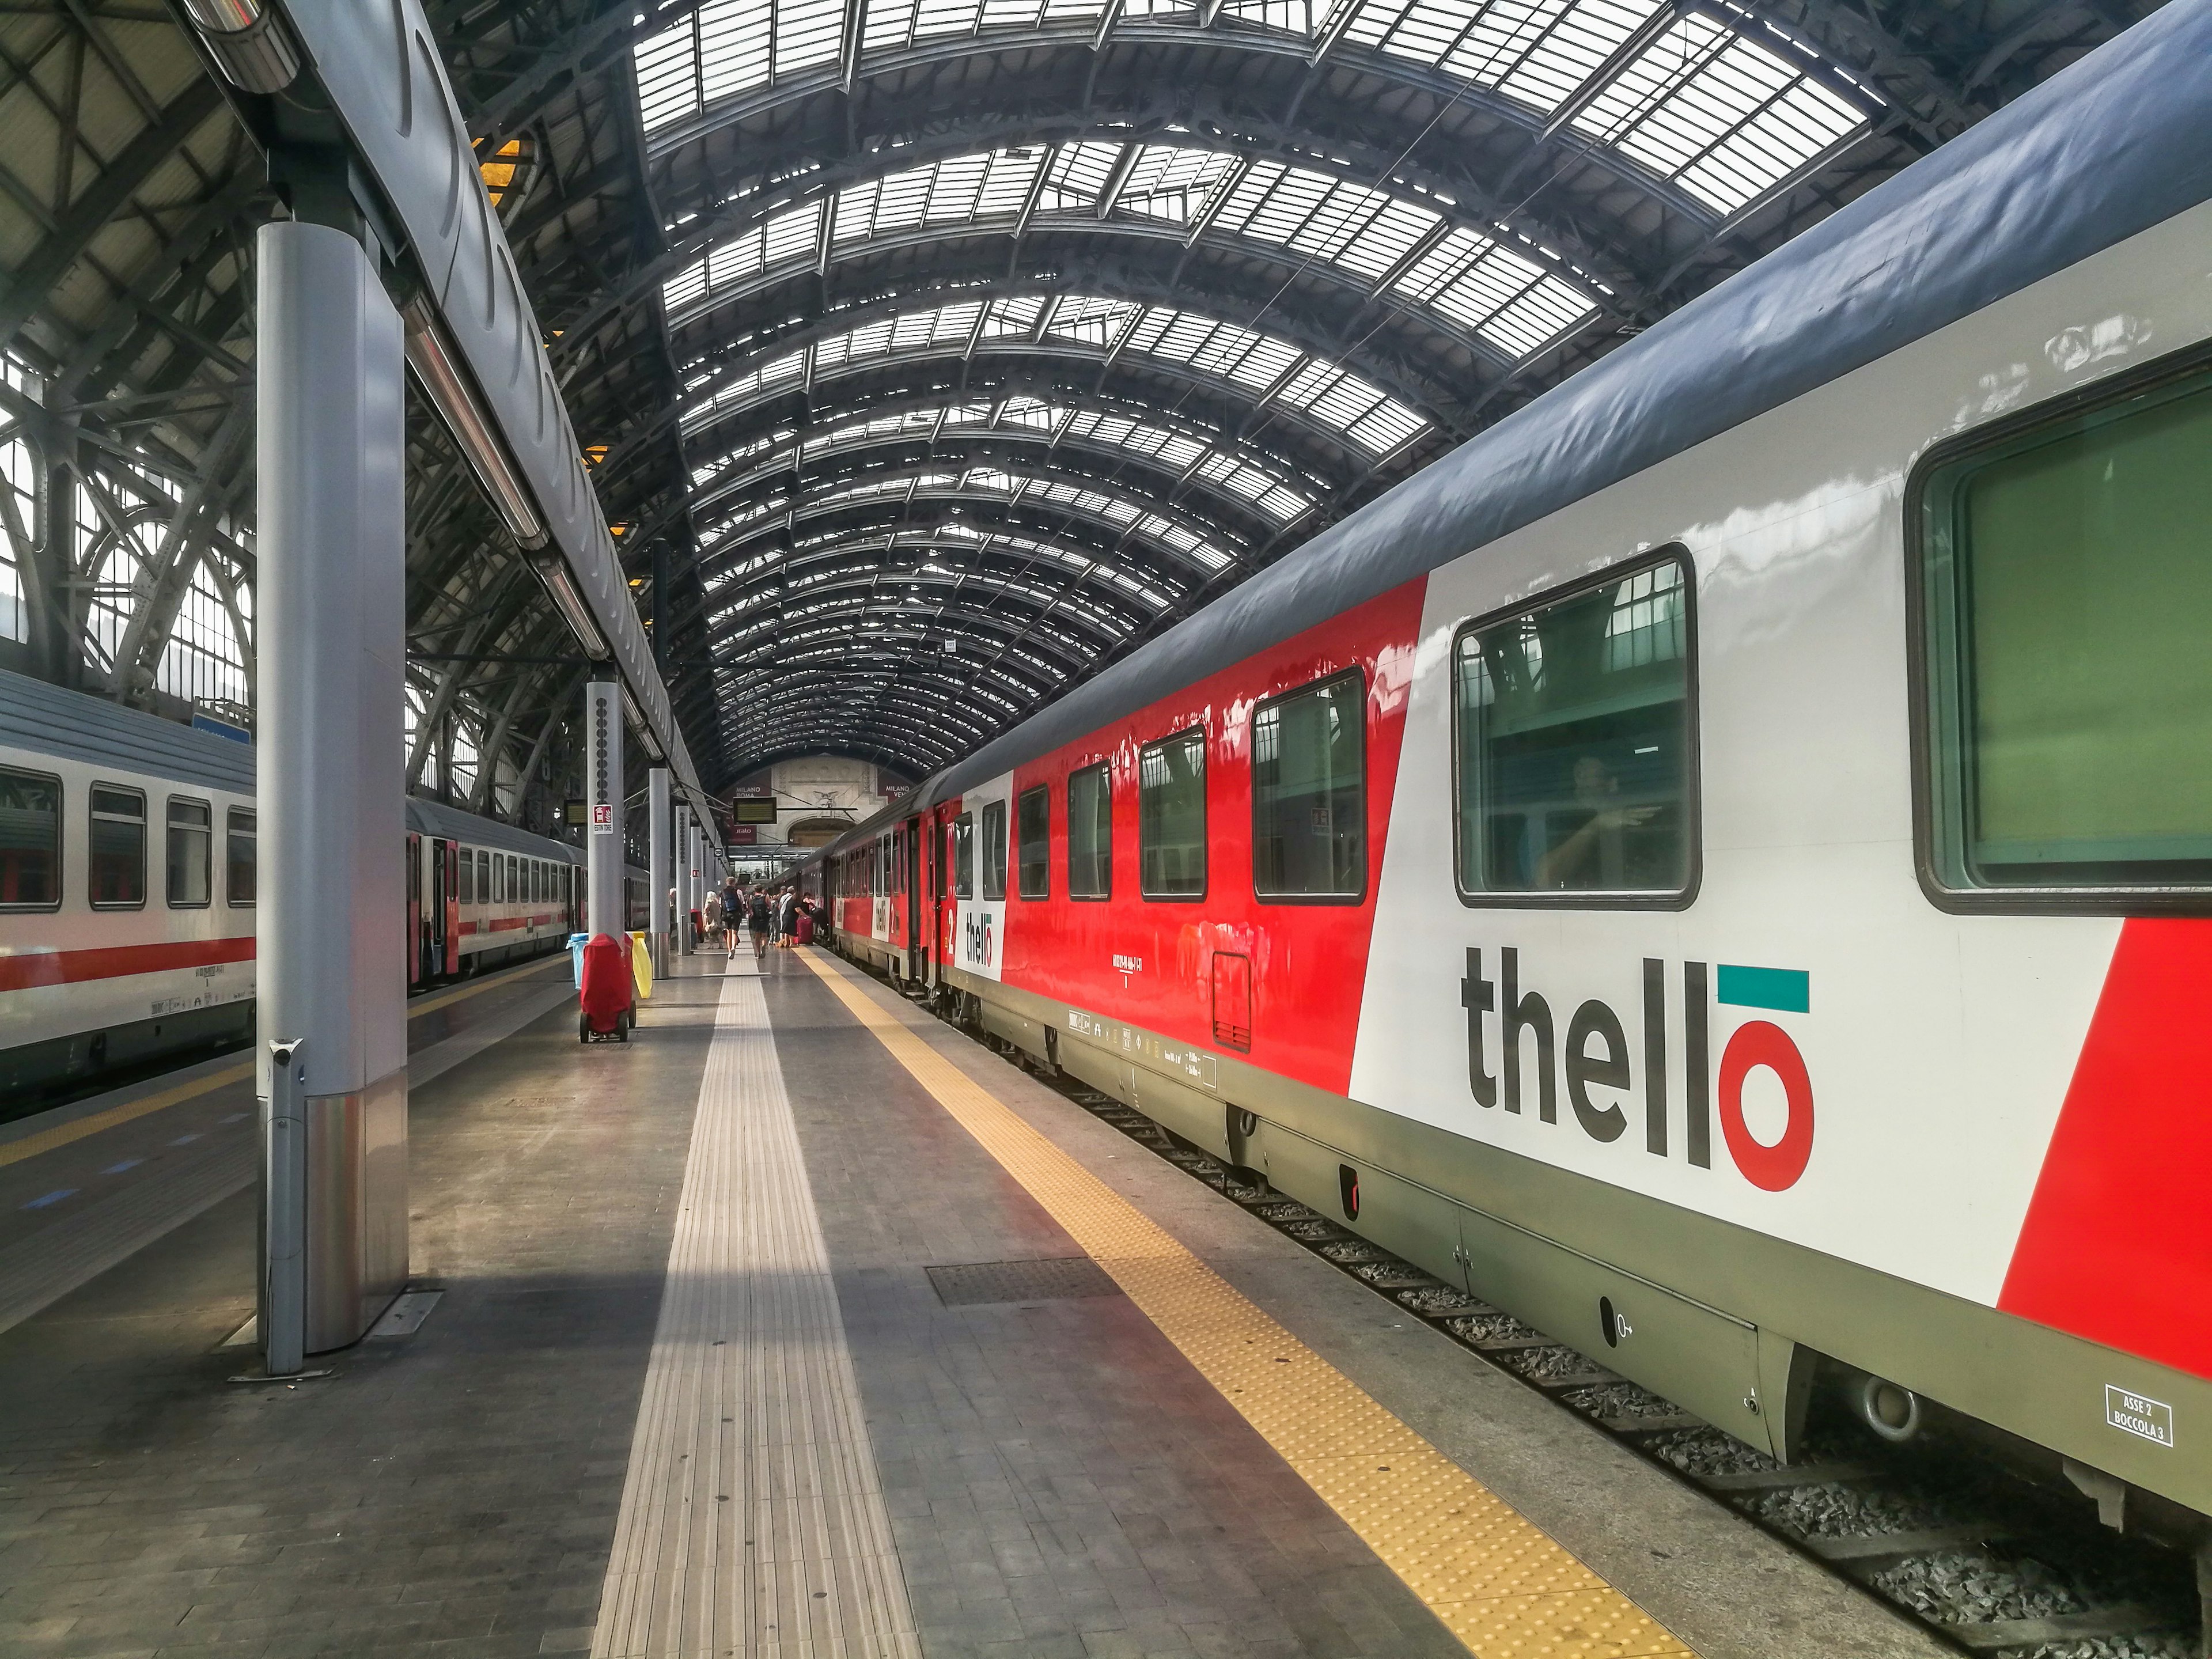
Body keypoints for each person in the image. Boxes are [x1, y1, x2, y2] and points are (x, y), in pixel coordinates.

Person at [747, 885, 772, 963]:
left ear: (755, 890)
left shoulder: (751, 898)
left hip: (755, 919)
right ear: (762, 890)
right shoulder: (766, 897)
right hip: (764, 918)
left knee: (757, 936)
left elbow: (749, 908)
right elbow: (770, 907)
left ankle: (758, 952)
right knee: (764, 935)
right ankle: (764, 946)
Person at [721, 877, 744, 957]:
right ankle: (734, 948)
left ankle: (730, 951)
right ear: (734, 883)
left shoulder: (722, 892)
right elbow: (742, 902)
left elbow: (721, 904)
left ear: (727, 883)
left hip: (727, 914)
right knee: (735, 933)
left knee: (729, 932)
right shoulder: (738, 891)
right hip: (736, 914)